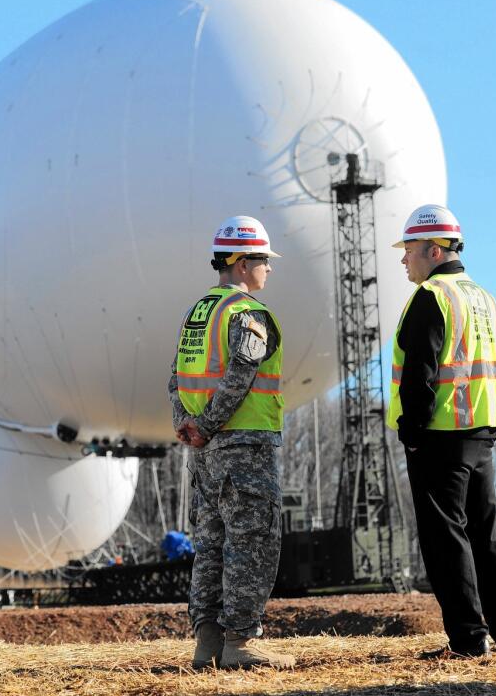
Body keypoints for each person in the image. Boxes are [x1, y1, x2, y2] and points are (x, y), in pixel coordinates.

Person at [385, 204, 496, 658]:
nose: (404, 260)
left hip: (438, 435)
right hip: (482, 432)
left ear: (432, 248)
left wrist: (412, 430)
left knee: (446, 541)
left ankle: (468, 639)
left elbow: (419, 373)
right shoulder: (484, 297)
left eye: (408, 250)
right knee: (486, 535)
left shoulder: (432, 296)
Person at [168, 215, 295, 670]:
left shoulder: (197, 312)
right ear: (241, 263)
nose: (269, 268)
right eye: (263, 259)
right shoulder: (246, 314)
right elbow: (241, 376)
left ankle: (207, 644)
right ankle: (241, 641)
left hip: (205, 452)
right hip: (243, 448)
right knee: (252, 542)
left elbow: (176, 376)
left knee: (211, 543)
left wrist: (188, 423)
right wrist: (207, 424)